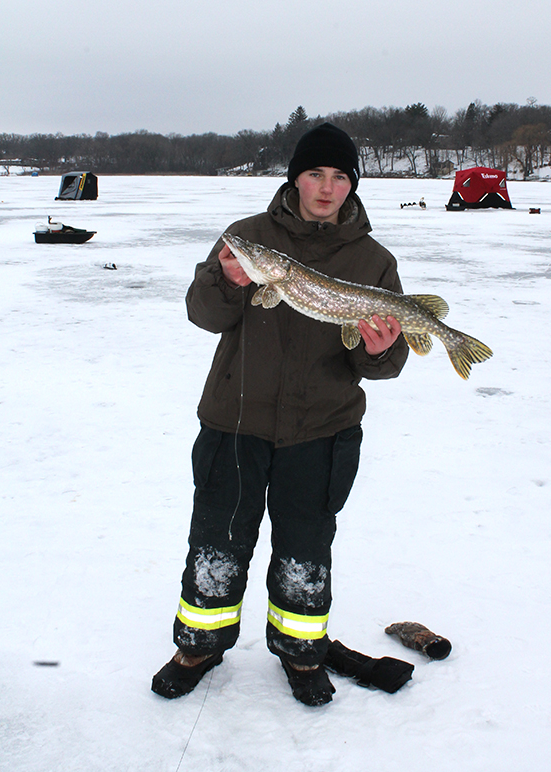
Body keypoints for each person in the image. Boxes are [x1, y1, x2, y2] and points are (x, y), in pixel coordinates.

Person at [152, 122, 409, 706]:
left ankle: (300, 654)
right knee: (217, 540)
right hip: (234, 421)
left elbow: (386, 363)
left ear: (352, 185)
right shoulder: (247, 238)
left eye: (340, 176)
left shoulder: (373, 260)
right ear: (295, 177)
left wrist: (380, 349)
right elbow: (203, 314)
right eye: (315, 173)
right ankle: (198, 644)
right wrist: (228, 278)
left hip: (322, 427)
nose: (326, 187)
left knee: (306, 546)